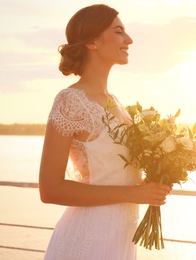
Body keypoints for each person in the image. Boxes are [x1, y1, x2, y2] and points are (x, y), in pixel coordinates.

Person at [39, 4, 172, 260]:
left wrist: (154, 181)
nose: (129, 39)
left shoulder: (117, 104)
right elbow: (50, 189)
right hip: (87, 241)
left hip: (121, 240)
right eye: (119, 31)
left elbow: (117, 174)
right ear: (92, 42)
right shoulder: (70, 100)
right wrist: (134, 193)